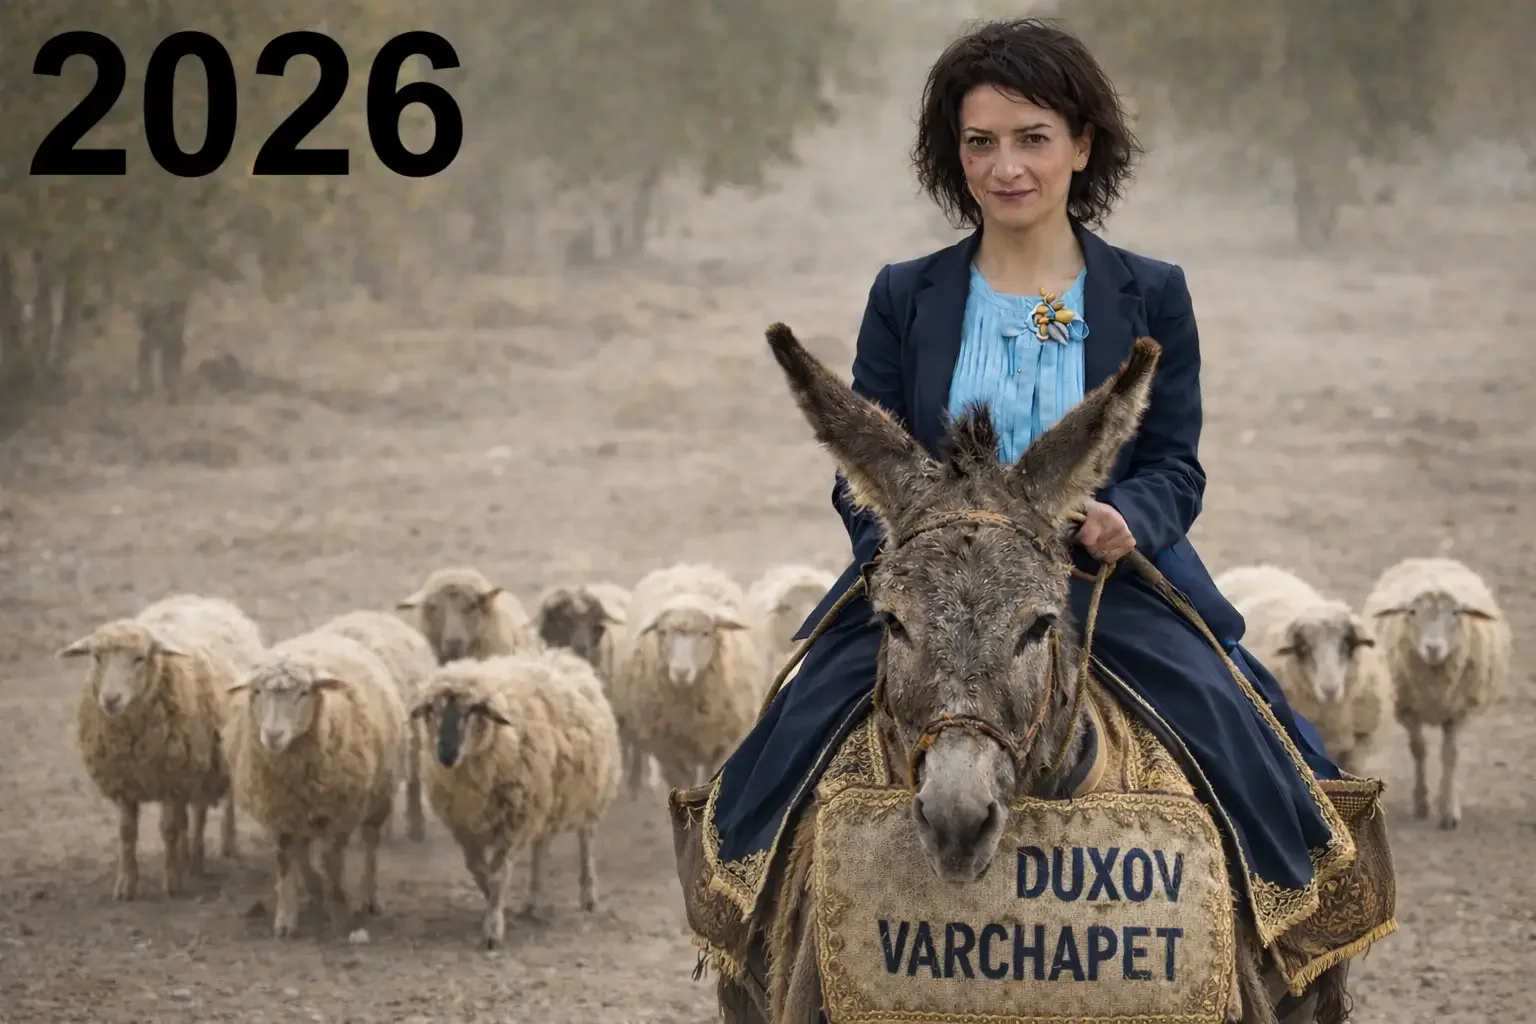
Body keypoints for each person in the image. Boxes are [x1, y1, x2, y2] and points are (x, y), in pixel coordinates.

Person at [704, 17, 1379, 957]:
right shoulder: (905, 294)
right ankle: (753, 950)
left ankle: (1290, 956)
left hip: (1107, 584)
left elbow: (1176, 465)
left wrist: (1125, 521)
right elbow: (861, 472)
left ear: (1082, 145)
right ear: (956, 154)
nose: (1005, 167)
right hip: (932, 594)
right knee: (779, 750)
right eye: (980, 142)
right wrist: (912, 573)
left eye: (1032, 139)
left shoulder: (1153, 291)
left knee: (1248, 744)